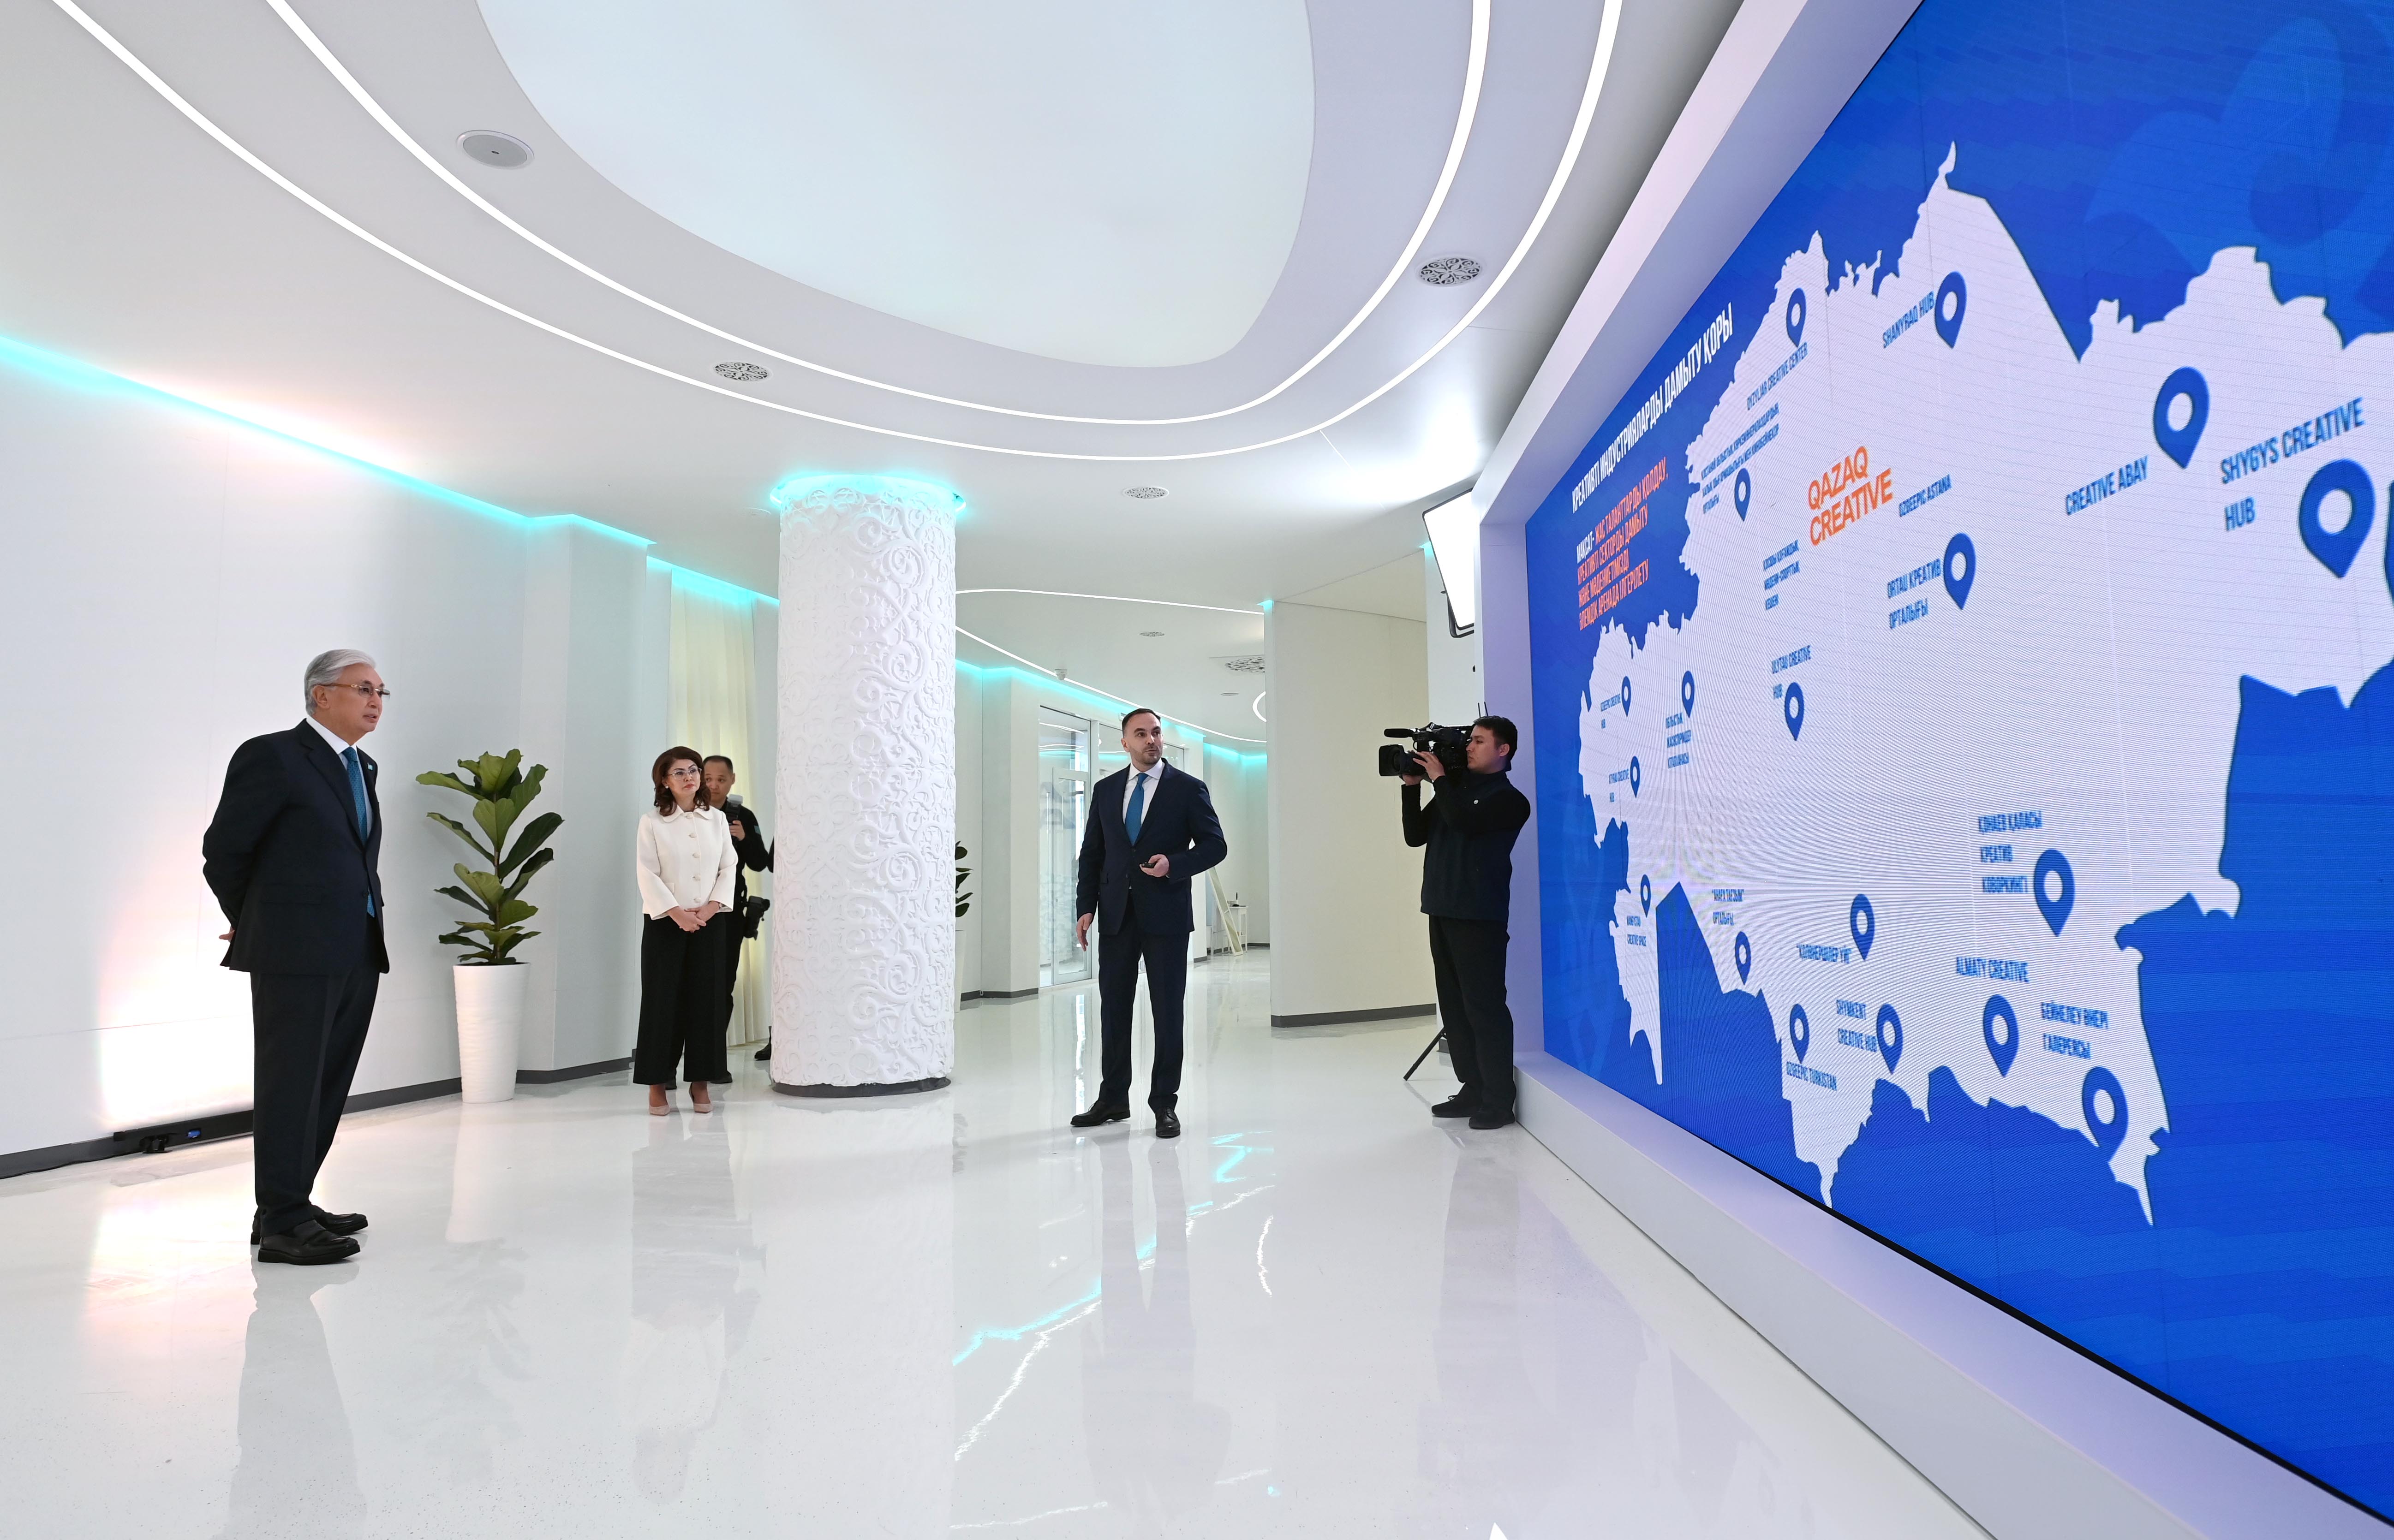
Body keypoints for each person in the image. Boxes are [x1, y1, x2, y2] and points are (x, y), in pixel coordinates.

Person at [201, 648, 389, 1265]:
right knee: (291, 1082)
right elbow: (225, 851)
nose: (376, 701)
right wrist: (253, 918)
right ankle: (283, 1223)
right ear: (321, 695)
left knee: (328, 1081)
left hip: (356, 942)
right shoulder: (273, 755)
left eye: (381, 692)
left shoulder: (362, 765)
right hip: (294, 948)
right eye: (363, 688)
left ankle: (291, 1202)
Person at [1071, 708, 1228, 1139]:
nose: (1150, 740)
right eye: (1140, 734)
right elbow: (1092, 854)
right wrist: (1085, 906)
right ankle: (1112, 1098)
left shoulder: (1188, 789)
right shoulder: (1105, 790)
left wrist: (1174, 864)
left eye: (1156, 732)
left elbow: (1215, 846)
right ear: (1124, 743)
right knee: (1113, 1010)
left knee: (1167, 1011)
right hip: (1116, 915)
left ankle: (1164, 1103)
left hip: (1166, 916)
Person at [1400, 716, 1532, 1129]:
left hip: (1478, 915)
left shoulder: (1509, 799)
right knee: (1454, 1007)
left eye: (1478, 741)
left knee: (1484, 1007)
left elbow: (1465, 823)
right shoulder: (1455, 791)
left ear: (1503, 750)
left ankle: (1498, 1099)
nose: (1468, 747)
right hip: (1441, 908)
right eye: (1469, 740)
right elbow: (1415, 834)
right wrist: (1411, 786)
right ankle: (1472, 1087)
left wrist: (1440, 780)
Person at [634, 748, 738, 1113]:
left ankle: (700, 1084)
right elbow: (647, 872)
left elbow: (729, 866)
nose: (689, 777)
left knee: (707, 1002)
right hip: (666, 923)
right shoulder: (652, 822)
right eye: (678, 772)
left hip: (710, 921)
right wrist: (677, 913)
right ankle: (657, 1085)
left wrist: (711, 908)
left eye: (693, 770)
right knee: (662, 1002)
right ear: (664, 781)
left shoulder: (717, 819)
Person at [700, 755, 773, 1075]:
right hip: (691, 906)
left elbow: (760, 863)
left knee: (723, 983)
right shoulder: (689, 811)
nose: (714, 785)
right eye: (708, 779)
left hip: (729, 909)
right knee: (691, 984)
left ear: (732, 780)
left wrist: (744, 839)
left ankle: (714, 1059)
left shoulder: (742, 815)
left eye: (721, 779)